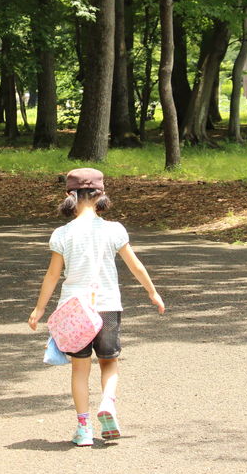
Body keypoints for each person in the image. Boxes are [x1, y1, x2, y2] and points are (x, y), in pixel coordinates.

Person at [27, 168, 165, 447]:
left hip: (74, 309)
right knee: (109, 362)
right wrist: (153, 292)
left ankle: (84, 429)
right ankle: (108, 405)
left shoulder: (62, 233)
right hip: (107, 306)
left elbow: (52, 275)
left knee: (80, 369)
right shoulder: (114, 229)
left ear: (70, 195)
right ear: (101, 194)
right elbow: (134, 265)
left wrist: (39, 309)